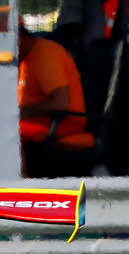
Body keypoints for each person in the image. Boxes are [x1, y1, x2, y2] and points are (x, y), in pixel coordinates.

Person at [18, 22, 95, 175]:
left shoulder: (45, 54)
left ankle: (22, 184)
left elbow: (60, 103)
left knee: (9, 133)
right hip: (39, 122)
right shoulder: (24, 59)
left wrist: (23, 112)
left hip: (63, 124)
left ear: (18, 37)